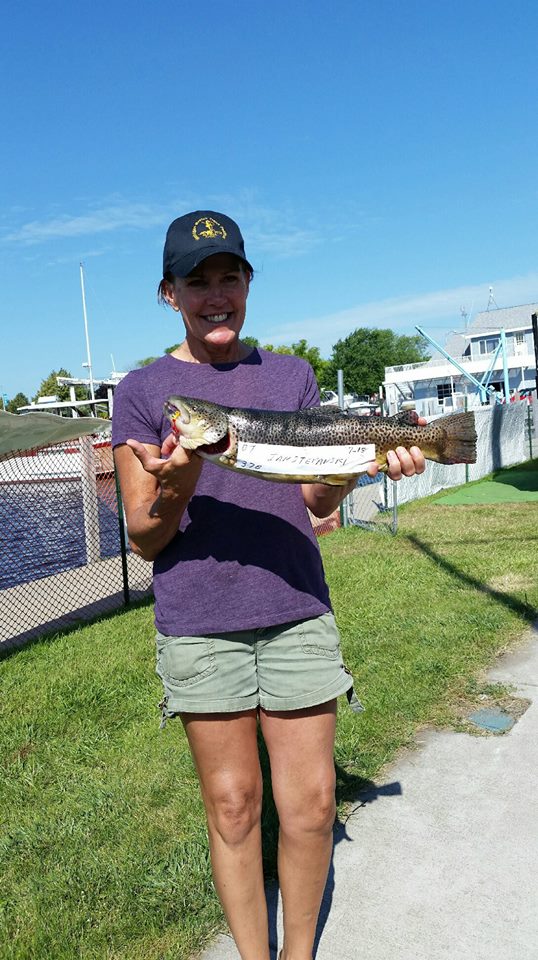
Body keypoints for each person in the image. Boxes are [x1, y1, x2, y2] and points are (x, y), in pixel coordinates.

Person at [112, 210, 425, 960]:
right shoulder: (144, 390)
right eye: (197, 283)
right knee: (233, 805)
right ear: (169, 293)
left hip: (294, 606)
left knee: (314, 806)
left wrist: (359, 464)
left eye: (229, 278)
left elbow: (315, 500)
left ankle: (298, 955)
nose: (215, 296)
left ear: (248, 283)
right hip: (199, 619)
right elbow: (144, 536)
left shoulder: (290, 376)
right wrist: (180, 483)